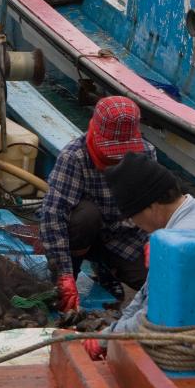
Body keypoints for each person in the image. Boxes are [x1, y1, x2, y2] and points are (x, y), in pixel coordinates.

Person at [82, 152, 195, 359]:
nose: (135, 225)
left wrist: (104, 340)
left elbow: (154, 318)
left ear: (151, 206)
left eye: (132, 217)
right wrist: (112, 332)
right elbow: (147, 294)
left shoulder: (183, 243)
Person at [40, 96, 157, 317]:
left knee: (154, 280)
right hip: (82, 236)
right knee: (86, 216)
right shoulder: (74, 156)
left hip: (125, 239)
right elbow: (53, 215)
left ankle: (108, 270)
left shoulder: (147, 154)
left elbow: (156, 206)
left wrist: (156, 240)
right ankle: (70, 276)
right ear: (92, 129)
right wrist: (62, 273)